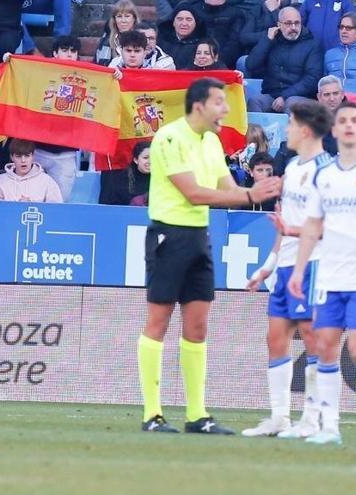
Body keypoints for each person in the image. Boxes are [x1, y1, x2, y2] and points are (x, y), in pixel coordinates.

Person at [137, 78, 280, 435]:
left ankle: (197, 415)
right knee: (159, 321)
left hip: (199, 237)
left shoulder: (213, 142)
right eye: (220, 102)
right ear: (199, 105)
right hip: (168, 235)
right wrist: (250, 196)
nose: (226, 109)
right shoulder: (170, 137)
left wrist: (252, 191)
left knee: (198, 326)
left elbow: (228, 189)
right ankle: (152, 414)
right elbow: (194, 194)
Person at [288, 102, 356, 445]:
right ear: (334, 130)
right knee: (324, 348)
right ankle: (330, 427)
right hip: (329, 275)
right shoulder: (324, 175)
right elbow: (312, 225)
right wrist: (299, 269)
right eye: (343, 121)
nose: (349, 126)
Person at [243, 100, 334, 439]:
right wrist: (268, 265)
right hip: (285, 265)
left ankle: (311, 420)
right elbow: (285, 223)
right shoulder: (293, 167)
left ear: (307, 130)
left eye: (292, 125)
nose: (287, 130)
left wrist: (295, 231)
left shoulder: (328, 171)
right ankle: (279, 417)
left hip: (315, 264)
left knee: (312, 337)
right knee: (275, 337)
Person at [32, 36, 83, 203]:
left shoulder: (89, 78)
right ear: (55, 53)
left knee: (61, 202)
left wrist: (116, 75)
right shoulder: (41, 72)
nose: (69, 54)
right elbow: (21, 73)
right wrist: (9, 60)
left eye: (73, 51)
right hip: (38, 149)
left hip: (66, 153)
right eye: (64, 50)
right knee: (32, 200)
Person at [245, 6, 323, 113]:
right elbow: (250, 65)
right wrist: (267, 41)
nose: (293, 27)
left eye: (297, 23)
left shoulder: (312, 45)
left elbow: (312, 79)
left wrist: (284, 96)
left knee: (291, 103)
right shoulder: (271, 40)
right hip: (272, 95)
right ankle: (257, 130)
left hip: (300, 97)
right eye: (288, 23)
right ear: (279, 25)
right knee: (254, 101)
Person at [177, 0, 245, 69]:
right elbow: (188, 39)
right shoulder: (192, 10)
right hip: (191, 63)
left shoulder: (236, 14)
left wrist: (215, 62)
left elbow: (234, 44)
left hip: (222, 64)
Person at [0, 139, 62, 204]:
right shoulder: (0, 180)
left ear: (33, 156)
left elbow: (55, 210)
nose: (23, 160)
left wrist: (31, 205)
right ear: (12, 157)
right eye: (18, 156)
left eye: (27, 156)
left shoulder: (47, 181)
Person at [95, 0, 140, 66]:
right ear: (114, 20)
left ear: (134, 18)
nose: (123, 21)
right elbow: (101, 64)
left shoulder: (142, 38)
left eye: (127, 16)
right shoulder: (107, 41)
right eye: (119, 16)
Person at [129, 141, 151, 206]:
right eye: (146, 158)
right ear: (136, 160)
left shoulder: (163, 178)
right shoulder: (123, 180)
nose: (150, 161)